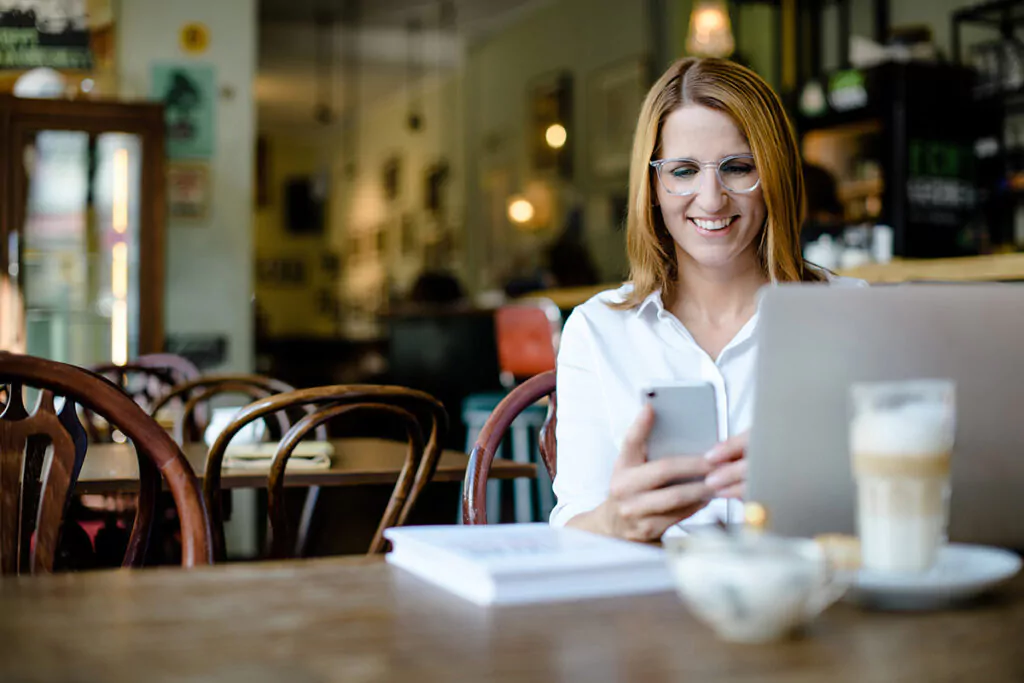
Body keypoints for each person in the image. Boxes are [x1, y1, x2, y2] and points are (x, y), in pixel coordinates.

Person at [549, 57, 865, 541]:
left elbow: (913, 497)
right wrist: (617, 520)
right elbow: (573, 525)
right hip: (648, 608)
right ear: (653, 186)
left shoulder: (852, 314)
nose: (711, 198)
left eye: (738, 168)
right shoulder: (597, 331)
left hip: (805, 596)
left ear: (774, 174)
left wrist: (812, 487)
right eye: (683, 171)